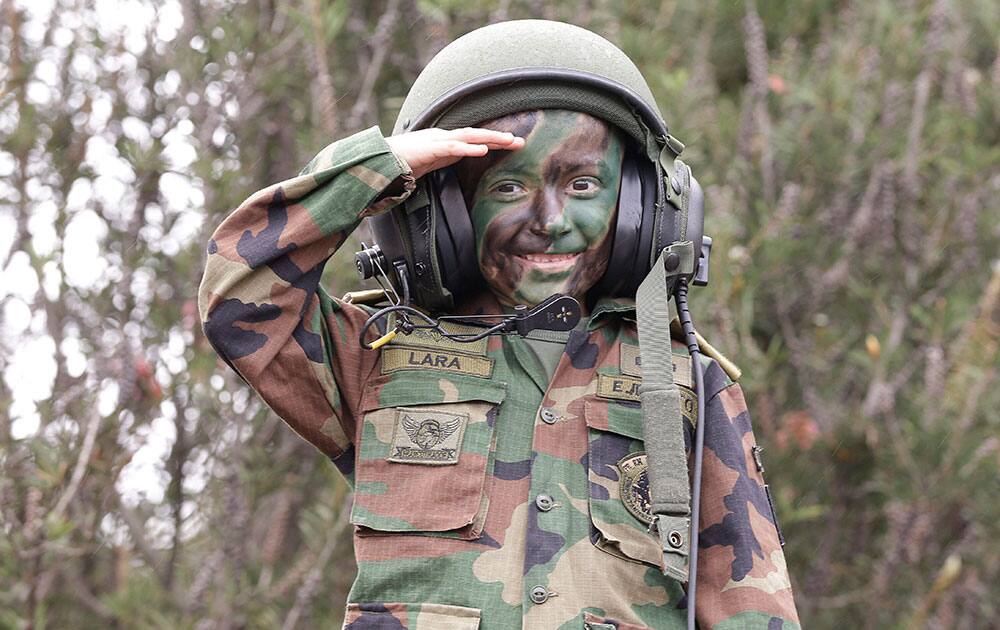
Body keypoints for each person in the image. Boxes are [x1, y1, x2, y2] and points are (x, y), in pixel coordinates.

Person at [199, 19, 799, 630]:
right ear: (443, 215)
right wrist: (376, 171)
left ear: (643, 210)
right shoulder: (376, 357)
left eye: (584, 184)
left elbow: (751, 604)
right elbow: (238, 298)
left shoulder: (686, 384)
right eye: (509, 185)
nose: (550, 219)